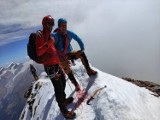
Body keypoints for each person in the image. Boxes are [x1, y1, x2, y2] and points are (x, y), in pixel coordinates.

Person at [35, 15, 76, 119]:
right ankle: (64, 110)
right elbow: (39, 52)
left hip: (56, 65)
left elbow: (54, 50)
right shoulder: (40, 36)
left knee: (63, 82)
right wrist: (49, 42)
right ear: (44, 24)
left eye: (52, 24)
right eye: (49, 24)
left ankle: (64, 100)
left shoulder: (50, 35)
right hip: (50, 67)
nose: (51, 26)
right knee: (58, 87)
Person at [52, 18, 97, 88]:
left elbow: (78, 39)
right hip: (61, 58)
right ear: (59, 26)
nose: (64, 27)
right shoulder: (55, 35)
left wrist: (82, 48)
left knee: (81, 54)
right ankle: (75, 84)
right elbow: (48, 40)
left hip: (69, 53)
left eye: (65, 25)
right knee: (68, 71)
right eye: (62, 25)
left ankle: (89, 71)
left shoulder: (68, 33)